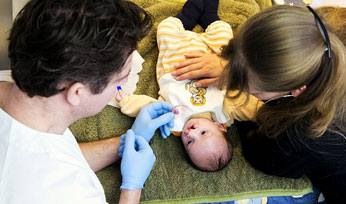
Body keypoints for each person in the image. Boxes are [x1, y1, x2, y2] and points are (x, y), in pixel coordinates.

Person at [0, 0, 175, 203]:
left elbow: (55, 157)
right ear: (77, 93)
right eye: (120, 79)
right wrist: (132, 189)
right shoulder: (76, 194)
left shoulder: (22, 105)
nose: (125, 81)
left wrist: (127, 140)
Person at [172, 5, 346, 203]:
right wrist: (232, 65)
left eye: (252, 91)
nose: (238, 89)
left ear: (297, 90)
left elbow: (260, 157)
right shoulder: (323, 30)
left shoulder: (297, 137)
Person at [114, 0, 262, 172]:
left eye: (190, 143)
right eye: (203, 134)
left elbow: (151, 109)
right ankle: (210, 18)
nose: (191, 133)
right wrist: (261, 113)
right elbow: (250, 107)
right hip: (214, 55)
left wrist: (127, 102)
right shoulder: (223, 112)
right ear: (220, 127)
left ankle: (185, 18)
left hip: (178, 58)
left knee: (165, 29)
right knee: (223, 34)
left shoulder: (175, 122)